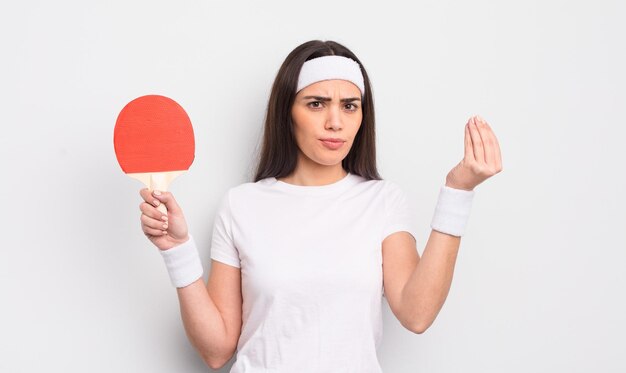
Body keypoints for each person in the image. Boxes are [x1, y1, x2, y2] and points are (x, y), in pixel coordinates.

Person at [138, 40, 502, 372]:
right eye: (316, 104)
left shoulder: (382, 201)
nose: (335, 122)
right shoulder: (241, 205)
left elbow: (417, 313)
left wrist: (458, 191)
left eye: (349, 106)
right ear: (287, 112)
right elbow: (216, 351)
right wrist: (177, 250)